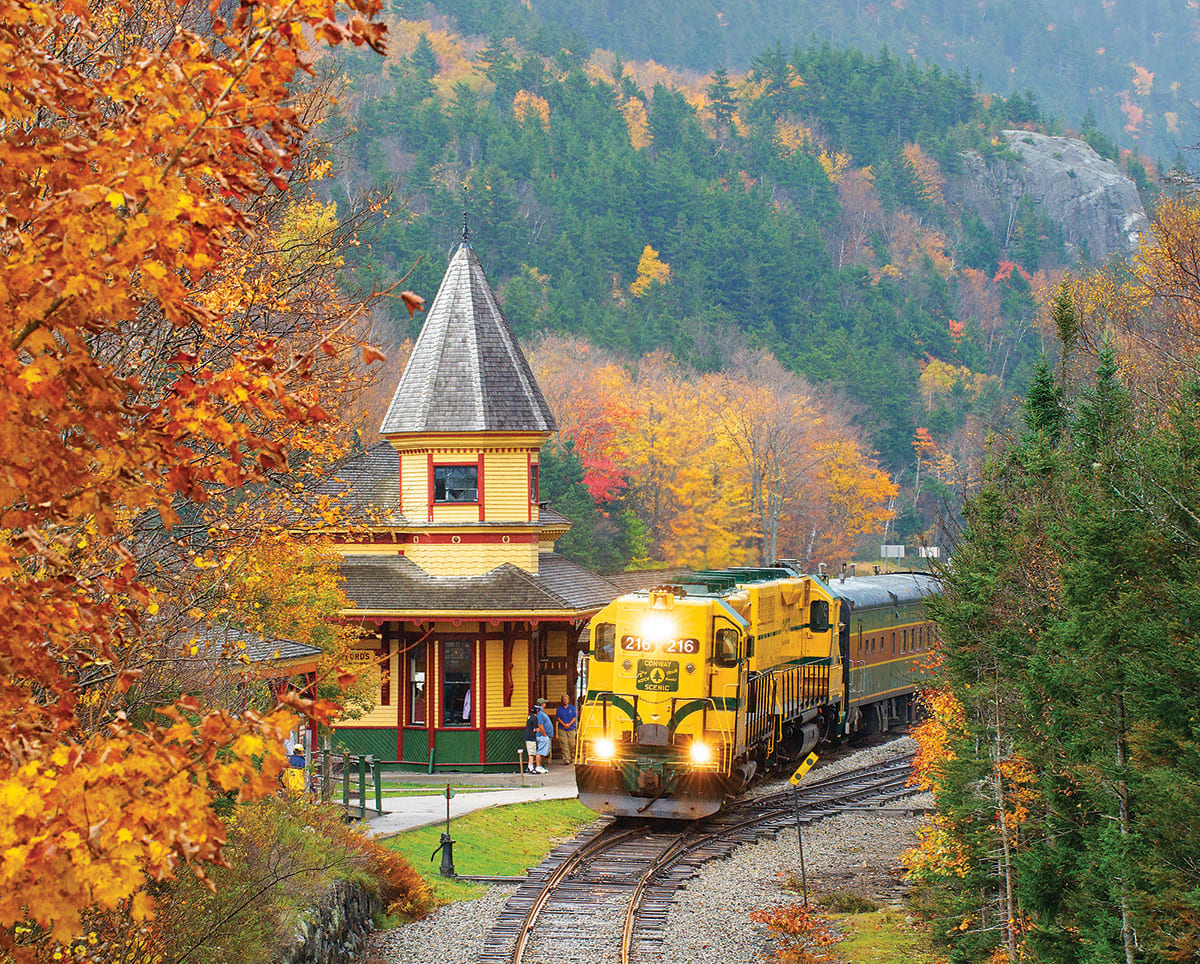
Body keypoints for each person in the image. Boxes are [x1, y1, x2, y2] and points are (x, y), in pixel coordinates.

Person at [555, 694, 578, 765]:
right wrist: (564, 724)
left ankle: (571, 756)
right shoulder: (559, 708)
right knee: (564, 744)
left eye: (566, 699)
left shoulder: (572, 708)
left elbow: (574, 717)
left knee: (572, 744)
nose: (565, 701)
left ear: (568, 700)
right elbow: (558, 718)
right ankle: (566, 759)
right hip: (562, 728)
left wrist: (569, 724)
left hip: (571, 728)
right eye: (564, 699)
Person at [534, 698, 553, 774]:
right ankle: (538, 766)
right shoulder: (540, 713)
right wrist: (545, 735)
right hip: (542, 736)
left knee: (543, 751)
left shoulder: (541, 712)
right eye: (544, 703)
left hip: (545, 735)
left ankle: (540, 766)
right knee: (540, 751)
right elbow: (540, 725)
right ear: (542, 704)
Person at [523, 705, 540, 773]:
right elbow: (535, 729)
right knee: (532, 753)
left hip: (527, 736)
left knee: (529, 752)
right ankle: (531, 767)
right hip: (531, 737)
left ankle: (529, 766)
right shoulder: (535, 718)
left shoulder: (529, 717)